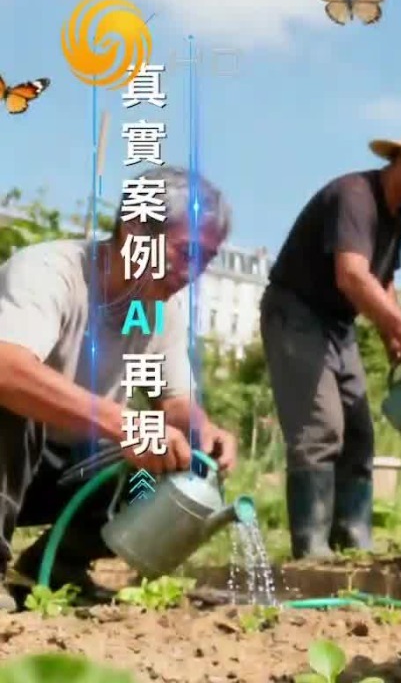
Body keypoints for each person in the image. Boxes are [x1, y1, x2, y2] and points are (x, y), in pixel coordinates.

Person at [0, 165, 239, 610]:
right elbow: (6, 369)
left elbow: (173, 401)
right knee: (11, 403)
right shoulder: (51, 273)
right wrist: (124, 424)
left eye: (204, 260)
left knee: (176, 453)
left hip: (60, 472)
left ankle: (55, 568)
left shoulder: (159, 308)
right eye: (185, 252)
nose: (192, 272)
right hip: (12, 453)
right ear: (133, 230)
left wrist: (204, 431)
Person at [261, 118, 401, 560]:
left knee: (359, 434)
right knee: (320, 429)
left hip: (338, 325)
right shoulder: (354, 196)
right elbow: (352, 275)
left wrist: (389, 333)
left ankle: (352, 541)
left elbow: (383, 279)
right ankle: (312, 548)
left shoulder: (399, 219)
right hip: (296, 313)